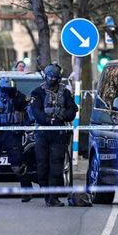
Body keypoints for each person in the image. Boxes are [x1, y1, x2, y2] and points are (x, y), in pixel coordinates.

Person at [29, 63, 78, 207]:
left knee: (56, 165)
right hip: (43, 133)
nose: (52, 80)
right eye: (50, 77)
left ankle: (53, 196)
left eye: (55, 78)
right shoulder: (37, 92)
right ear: (46, 76)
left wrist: (60, 118)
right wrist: (48, 120)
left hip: (59, 133)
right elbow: (36, 112)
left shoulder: (65, 93)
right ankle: (46, 192)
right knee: (42, 165)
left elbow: (72, 110)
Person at [0, 77, 34, 204]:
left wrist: (22, 127)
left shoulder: (20, 98)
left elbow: (29, 114)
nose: (6, 93)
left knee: (17, 166)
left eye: (9, 90)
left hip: (13, 134)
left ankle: (27, 190)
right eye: (4, 90)